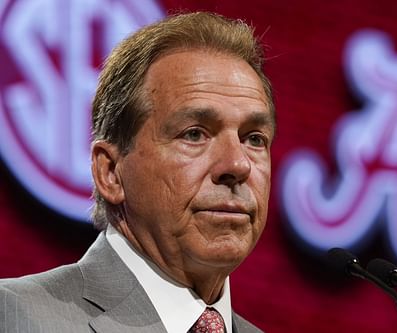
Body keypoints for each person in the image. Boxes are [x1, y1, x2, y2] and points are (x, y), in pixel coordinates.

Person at [0, 11, 275, 333]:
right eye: (194, 134)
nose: (238, 165)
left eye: (254, 139)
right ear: (111, 172)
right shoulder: (14, 316)